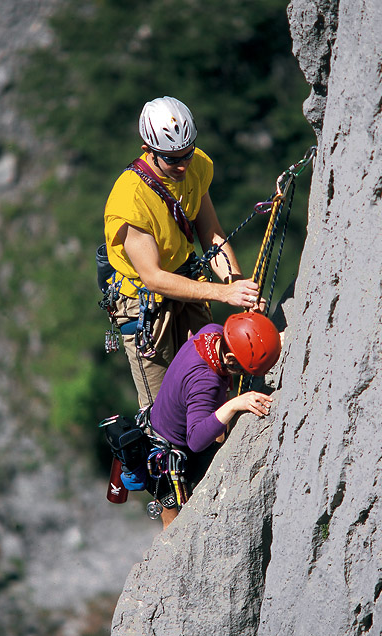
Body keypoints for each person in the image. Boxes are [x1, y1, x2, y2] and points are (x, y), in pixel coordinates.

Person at [104, 96, 262, 406]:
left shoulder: (196, 166)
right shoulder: (131, 199)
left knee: (213, 374)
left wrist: (236, 286)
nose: (181, 165)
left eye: (186, 155)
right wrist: (222, 294)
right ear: (148, 151)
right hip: (144, 302)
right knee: (163, 404)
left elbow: (212, 234)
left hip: (187, 278)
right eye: (171, 158)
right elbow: (153, 278)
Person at [143, 311, 282, 528]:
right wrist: (235, 404)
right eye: (244, 369)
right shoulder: (206, 382)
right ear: (230, 359)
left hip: (157, 427)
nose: (245, 373)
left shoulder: (212, 333)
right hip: (169, 455)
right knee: (176, 528)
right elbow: (196, 440)